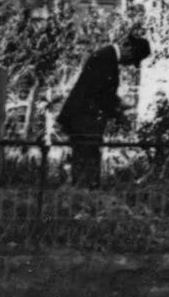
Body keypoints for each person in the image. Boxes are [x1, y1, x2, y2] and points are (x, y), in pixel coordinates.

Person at [56, 34, 150, 187]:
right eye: (133, 59)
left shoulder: (107, 56)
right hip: (85, 119)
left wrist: (118, 104)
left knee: (86, 158)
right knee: (86, 158)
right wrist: (120, 115)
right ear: (129, 49)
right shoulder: (105, 58)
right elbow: (101, 93)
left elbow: (103, 90)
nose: (129, 64)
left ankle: (83, 193)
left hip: (86, 118)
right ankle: (84, 194)